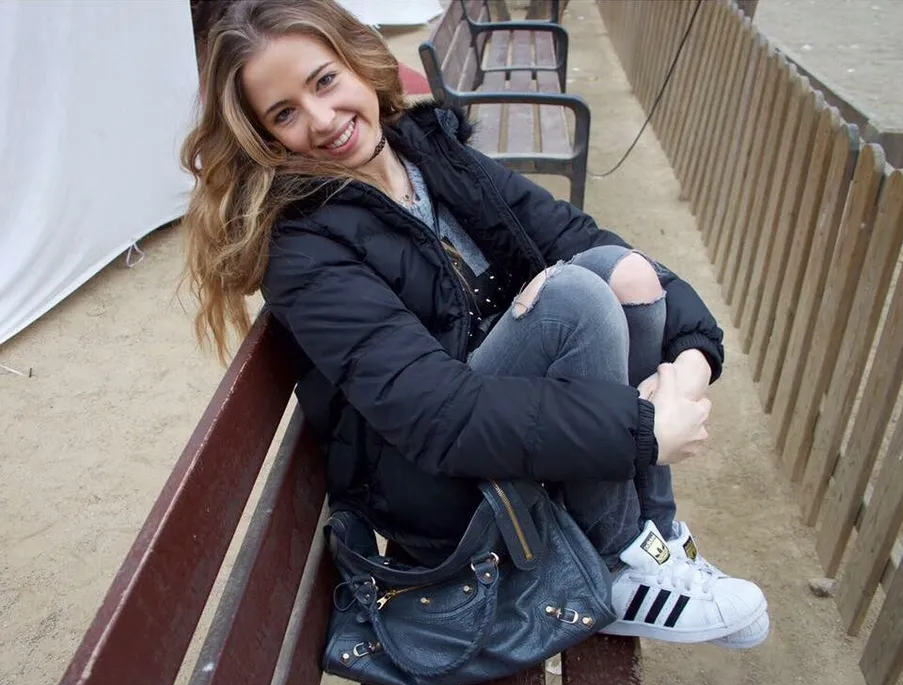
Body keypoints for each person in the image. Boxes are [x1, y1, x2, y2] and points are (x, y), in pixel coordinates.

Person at [181, 0, 768, 648]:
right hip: (434, 480)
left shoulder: (425, 153)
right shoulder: (303, 245)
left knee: (619, 271)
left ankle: (656, 538)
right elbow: (434, 413)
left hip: (502, 424)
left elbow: (577, 234)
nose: (322, 120)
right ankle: (615, 562)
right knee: (573, 298)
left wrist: (691, 359)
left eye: (324, 81)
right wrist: (641, 431)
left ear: (358, 61)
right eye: (284, 114)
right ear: (265, 139)